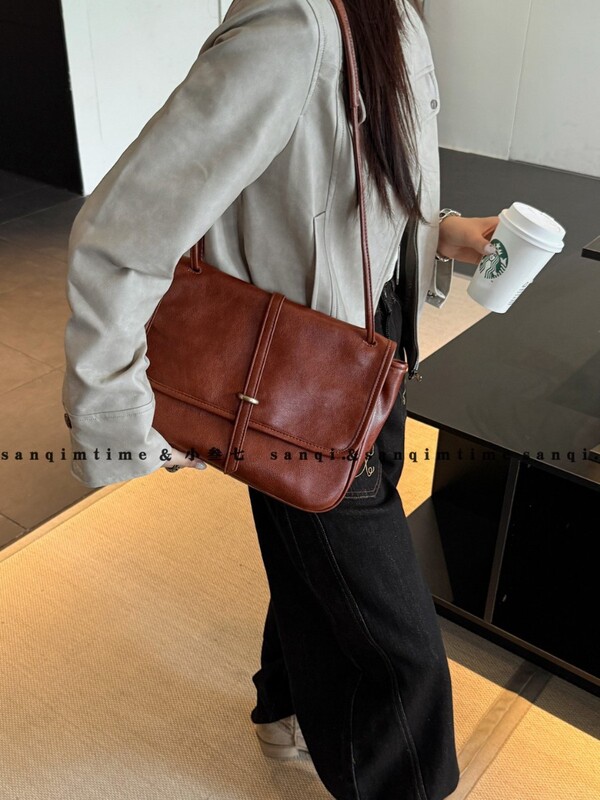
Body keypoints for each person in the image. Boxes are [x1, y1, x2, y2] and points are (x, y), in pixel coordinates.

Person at [62, 0, 498, 797]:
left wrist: (439, 230)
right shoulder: (293, 28)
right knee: (404, 659)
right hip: (298, 384)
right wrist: (117, 416)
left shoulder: (392, 14)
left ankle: (284, 704)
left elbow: (356, 176)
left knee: (315, 559)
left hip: (372, 350)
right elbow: (119, 233)